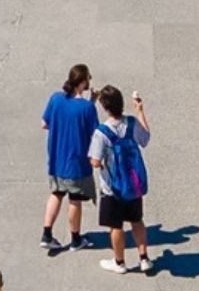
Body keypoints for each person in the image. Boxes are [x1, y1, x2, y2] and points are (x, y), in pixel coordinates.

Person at [87, 84, 153, 273]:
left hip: (112, 188)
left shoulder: (102, 132)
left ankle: (119, 262)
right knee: (137, 221)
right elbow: (145, 139)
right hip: (133, 184)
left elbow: (96, 162)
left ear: (105, 107)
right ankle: (144, 258)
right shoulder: (131, 123)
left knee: (116, 226)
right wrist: (140, 111)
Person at [41, 63, 97, 253]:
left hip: (56, 159)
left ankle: (47, 234)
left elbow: (44, 123)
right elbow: (94, 133)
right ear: (82, 83)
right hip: (76, 162)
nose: (90, 81)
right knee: (75, 199)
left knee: (56, 194)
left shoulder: (56, 99)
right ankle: (75, 238)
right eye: (88, 78)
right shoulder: (87, 108)